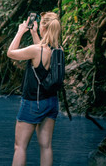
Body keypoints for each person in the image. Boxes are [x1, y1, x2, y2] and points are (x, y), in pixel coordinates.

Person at [7, 12, 62, 166]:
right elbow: (41, 54)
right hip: (51, 102)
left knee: (20, 147)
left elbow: (10, 53)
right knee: (46, 146)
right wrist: (33, 32)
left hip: (33, 102)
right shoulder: (58, 50)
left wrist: (21, 31)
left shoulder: (36, 50)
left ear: (43, 28)